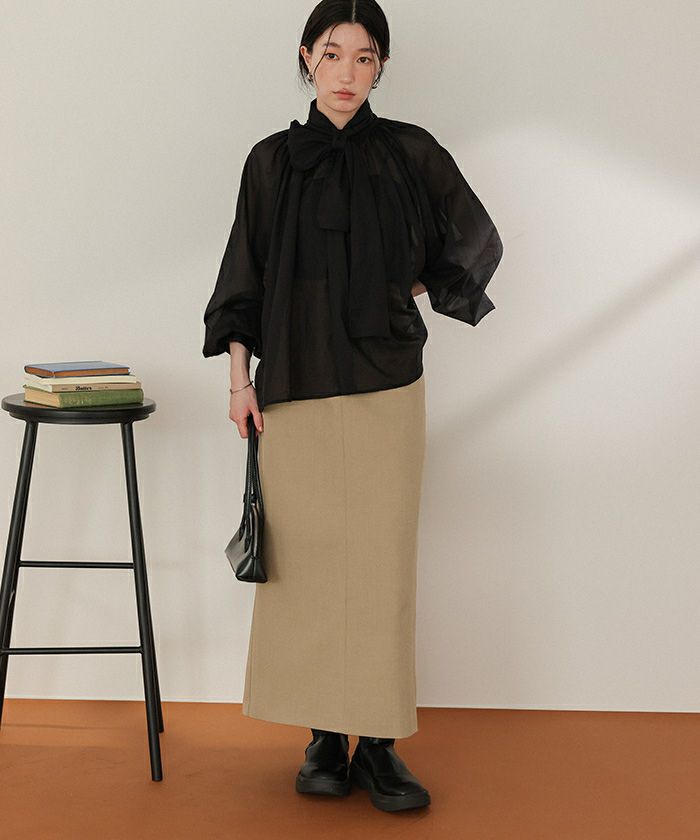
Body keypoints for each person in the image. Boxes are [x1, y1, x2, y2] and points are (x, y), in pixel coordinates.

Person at [202, 0, 503, 814]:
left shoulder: (410, 152)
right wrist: (238, 381)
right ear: (307, 57)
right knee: (305, 570)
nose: (347, 73)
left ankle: (378, 744)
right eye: (332, 54)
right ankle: (321, 740)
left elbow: (471, 240)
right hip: (293, 384)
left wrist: (392, 291)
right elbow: (243, 277)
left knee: (380, 569)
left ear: (381, 67)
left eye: (364, 57)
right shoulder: (271, 161)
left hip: (386, 386)